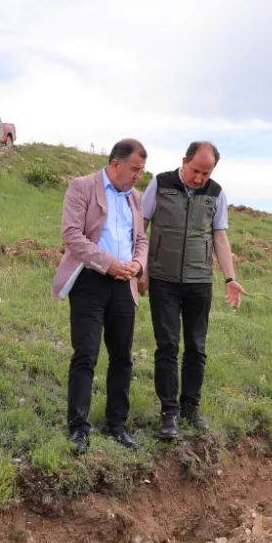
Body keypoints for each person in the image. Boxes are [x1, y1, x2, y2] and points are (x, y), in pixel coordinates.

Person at [139, 141, 249, 441]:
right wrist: (141, 267)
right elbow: (141, 227)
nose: (200, 178)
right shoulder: (160, 184)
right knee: (168, 346)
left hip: (199, 281)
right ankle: (169, 413)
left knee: (197, 348)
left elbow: (220, 237)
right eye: (196, 170)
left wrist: (230, 278)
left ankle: (191, 408)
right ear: (184, 161)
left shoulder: (215, 193)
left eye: (206, 172)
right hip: (163, 279)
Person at [52, 139, 150, 454]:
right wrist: (108, 264)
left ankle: (117, 425)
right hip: (90, 282)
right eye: (135, 169)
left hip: (124, 285)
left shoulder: (137, 198)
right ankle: (78, 428)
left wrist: (138, 264)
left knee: (122, 357)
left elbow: (142, 239)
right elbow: (72, 235)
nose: (138, 176)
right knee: (86, 354)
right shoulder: (82, 187)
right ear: (115, 163)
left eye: (142, 171)